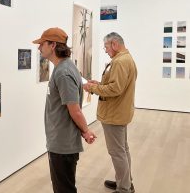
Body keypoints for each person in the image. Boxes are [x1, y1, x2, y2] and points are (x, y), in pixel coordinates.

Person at [32, 27, 96, 193]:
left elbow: (74, 110)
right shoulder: (64, 67)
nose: (39, 48)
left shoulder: (63, 73)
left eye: (42, 44)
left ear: (53, 45)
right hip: (60, 140)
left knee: (64, 189)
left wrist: (86, 131)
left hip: (62, 144)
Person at [83, 32, 137, 193]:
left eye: (106, 46)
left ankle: (124, 189)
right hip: (119, 112)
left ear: (114, 44)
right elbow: (115, 84)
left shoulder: (120, 62)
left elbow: (115, 88)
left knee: (117, 152)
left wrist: (92, 88)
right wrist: (99, 84)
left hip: (114, 114)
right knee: (122, 149)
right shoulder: (126, 59)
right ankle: (125, 181)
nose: (105, 50)